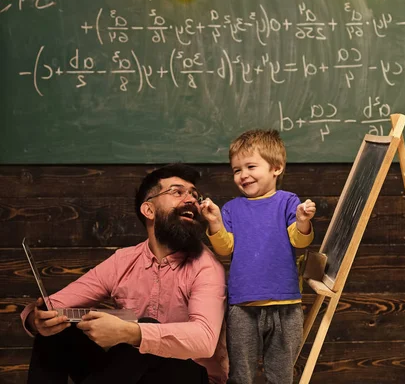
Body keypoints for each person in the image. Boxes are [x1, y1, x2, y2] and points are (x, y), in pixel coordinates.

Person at [20, 163, 228, 384]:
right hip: (129, 375)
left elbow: (205, 339)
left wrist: (132, 332)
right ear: (149, 210)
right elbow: (56, 304)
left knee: (144, 330)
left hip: (192, 377)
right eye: (177, 192)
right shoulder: (123, 261)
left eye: (195, 195)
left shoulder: (206, 265)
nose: (191, 201)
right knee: (54, 332)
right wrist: (37, 319)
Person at [201, 129, 316, 384]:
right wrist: (215, 223)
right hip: (242, 306)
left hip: (286, 306)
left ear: (276, 168)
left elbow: (300, 240)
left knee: (282, 374)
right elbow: (225, 248)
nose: (243, 175)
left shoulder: (288, 202)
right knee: (241, 375)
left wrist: (302, 221)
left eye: (251, 166)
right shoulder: (231, 208)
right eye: (236, 170)